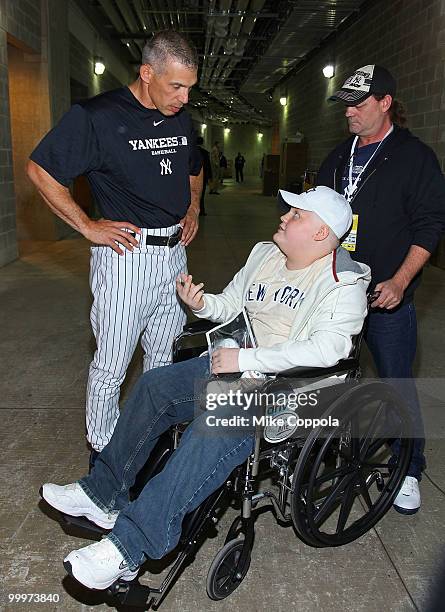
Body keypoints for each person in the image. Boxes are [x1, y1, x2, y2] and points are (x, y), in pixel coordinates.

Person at [41, 186, 371, 590]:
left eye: (296, 215)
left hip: (288, 390)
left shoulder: (344, 282)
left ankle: (129, 548)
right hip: (237, 367)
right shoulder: (266, 255)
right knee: (155, 385)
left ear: (321, 233)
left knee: (213, 426)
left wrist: (246, 361)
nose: (283, 217)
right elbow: (231, 305)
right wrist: (200, 304)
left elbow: (330, 348)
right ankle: (103, 494)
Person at [26, 31, 203, 461]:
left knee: (164, 358)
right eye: (175, 86)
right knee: (112, 363)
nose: (183, 97)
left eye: (189, 88)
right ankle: (102, 455)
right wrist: (87, 226)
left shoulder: (180, 117)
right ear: (147, 73)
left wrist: (193, 207)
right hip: (127, 256)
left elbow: (195, 166)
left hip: (173, 256)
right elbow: (40, 169)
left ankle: (151, 445)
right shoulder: (96, 116)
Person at [317, 64, 445, 515]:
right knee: (325, 375)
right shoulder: (337, 157)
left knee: (396, 384)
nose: (349, 111)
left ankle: (410, 468)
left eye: (359, 103)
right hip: (337, 293)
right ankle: (326, 453)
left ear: (386, 102)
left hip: (387, 297)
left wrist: (401, 280)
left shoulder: (415, 158)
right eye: (345, 104)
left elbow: (430, 226)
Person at [196, 136, 211, 216]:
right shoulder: (205, 153)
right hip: (203, 176)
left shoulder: (192, 152)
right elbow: (208, 165)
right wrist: (209, 176)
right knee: (202, 193)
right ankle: (201, 210)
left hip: (193, 175)